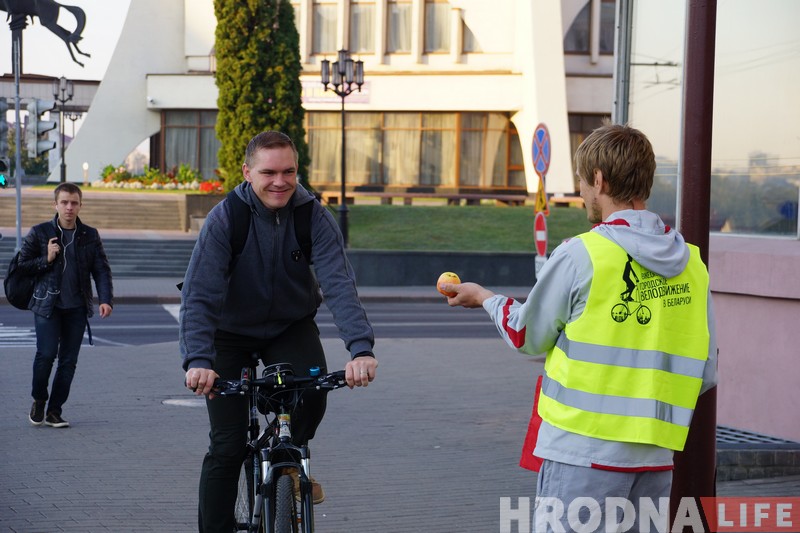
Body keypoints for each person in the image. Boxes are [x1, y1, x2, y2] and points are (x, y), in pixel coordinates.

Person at [440, 123, 717, 532]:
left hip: (581, 456)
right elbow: (705, 373)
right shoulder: (692, 264)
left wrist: (483, 297)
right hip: (656, 459)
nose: (583, 193)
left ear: (600, 180)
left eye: (584, 182)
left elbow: (524, 335)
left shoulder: (581, 254)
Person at [180, 131, 378, 532]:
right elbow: (199, 294)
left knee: (315, 392)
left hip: (289, 326)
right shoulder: (226, 219)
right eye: (268, 172)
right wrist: (198, 361)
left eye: (289, 171)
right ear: (247, 172)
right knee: (228, 445)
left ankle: (288, 454)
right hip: (228, 333)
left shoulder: (312, 215)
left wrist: (360, 349)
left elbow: (339, 283)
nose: (280, 182)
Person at [19, 182, 114, 428]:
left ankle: (54, 411)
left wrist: (105, 299)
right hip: (47, 306)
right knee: (46, 355)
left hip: (76, 308)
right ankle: (39, 399)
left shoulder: (89, 235)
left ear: (80, 205)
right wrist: (46, 259)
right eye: (64, 202)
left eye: (74, 203)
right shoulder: (40, 232)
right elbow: (22, 265)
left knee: (68, 361)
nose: (69, 207)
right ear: (56, 204)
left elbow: (101, 269)